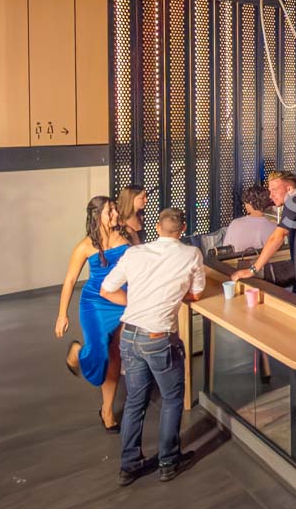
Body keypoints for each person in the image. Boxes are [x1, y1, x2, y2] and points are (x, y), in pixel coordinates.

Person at [99, 208, 205, 485]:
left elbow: (106, 289)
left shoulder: (134, 253)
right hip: (159, 337)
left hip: (129, 335)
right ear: (182, 230)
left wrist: (136, 303)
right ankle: (168, 462)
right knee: (172, 398)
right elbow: (196, 294)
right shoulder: (191, 254)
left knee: (135, 401)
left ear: (157, 228)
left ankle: (129, 466)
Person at [55, 196, 135, 432]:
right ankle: (79, 352)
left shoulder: (127, 235)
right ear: (97, 216)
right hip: (95, 302)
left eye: (115, 209)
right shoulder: (85, 246)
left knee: (115, 354)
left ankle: (107, 411)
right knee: (100, 352)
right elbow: (70, 280)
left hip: (121, 300)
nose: (115, 214)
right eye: (110, 211)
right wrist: (62, 314)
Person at [231, 171, 296, 296]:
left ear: (289, 188)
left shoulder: (293, 201)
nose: (271, 195)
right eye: (270, 191)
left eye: (275, 189)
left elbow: (278, 237)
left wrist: (252, 270)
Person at [222, 183, 276, 252]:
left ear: (249, 203)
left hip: (238, 259)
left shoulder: (235, 224)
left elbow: (226, 250)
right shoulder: (274, 227)